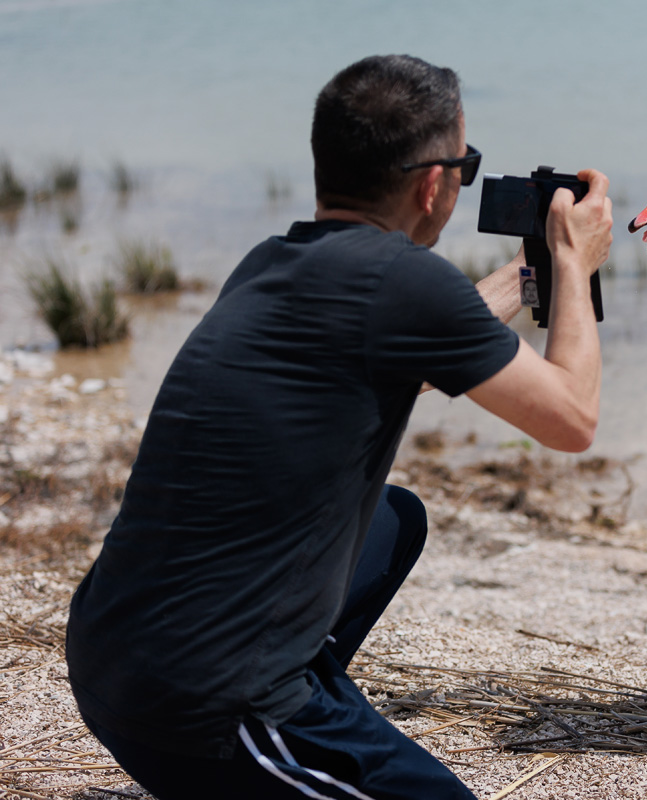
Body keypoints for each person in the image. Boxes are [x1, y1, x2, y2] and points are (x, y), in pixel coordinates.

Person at [65, 54, 612, 800]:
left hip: (107, 661)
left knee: (393, 519)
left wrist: (532, 272)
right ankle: (278, 735)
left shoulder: (273, 262)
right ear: (433, 184)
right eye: (468, 166)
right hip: (202, 709)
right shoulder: (408, 284)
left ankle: (301, 721)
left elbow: (422, 355)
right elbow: (573, 418)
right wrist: (576, 267)